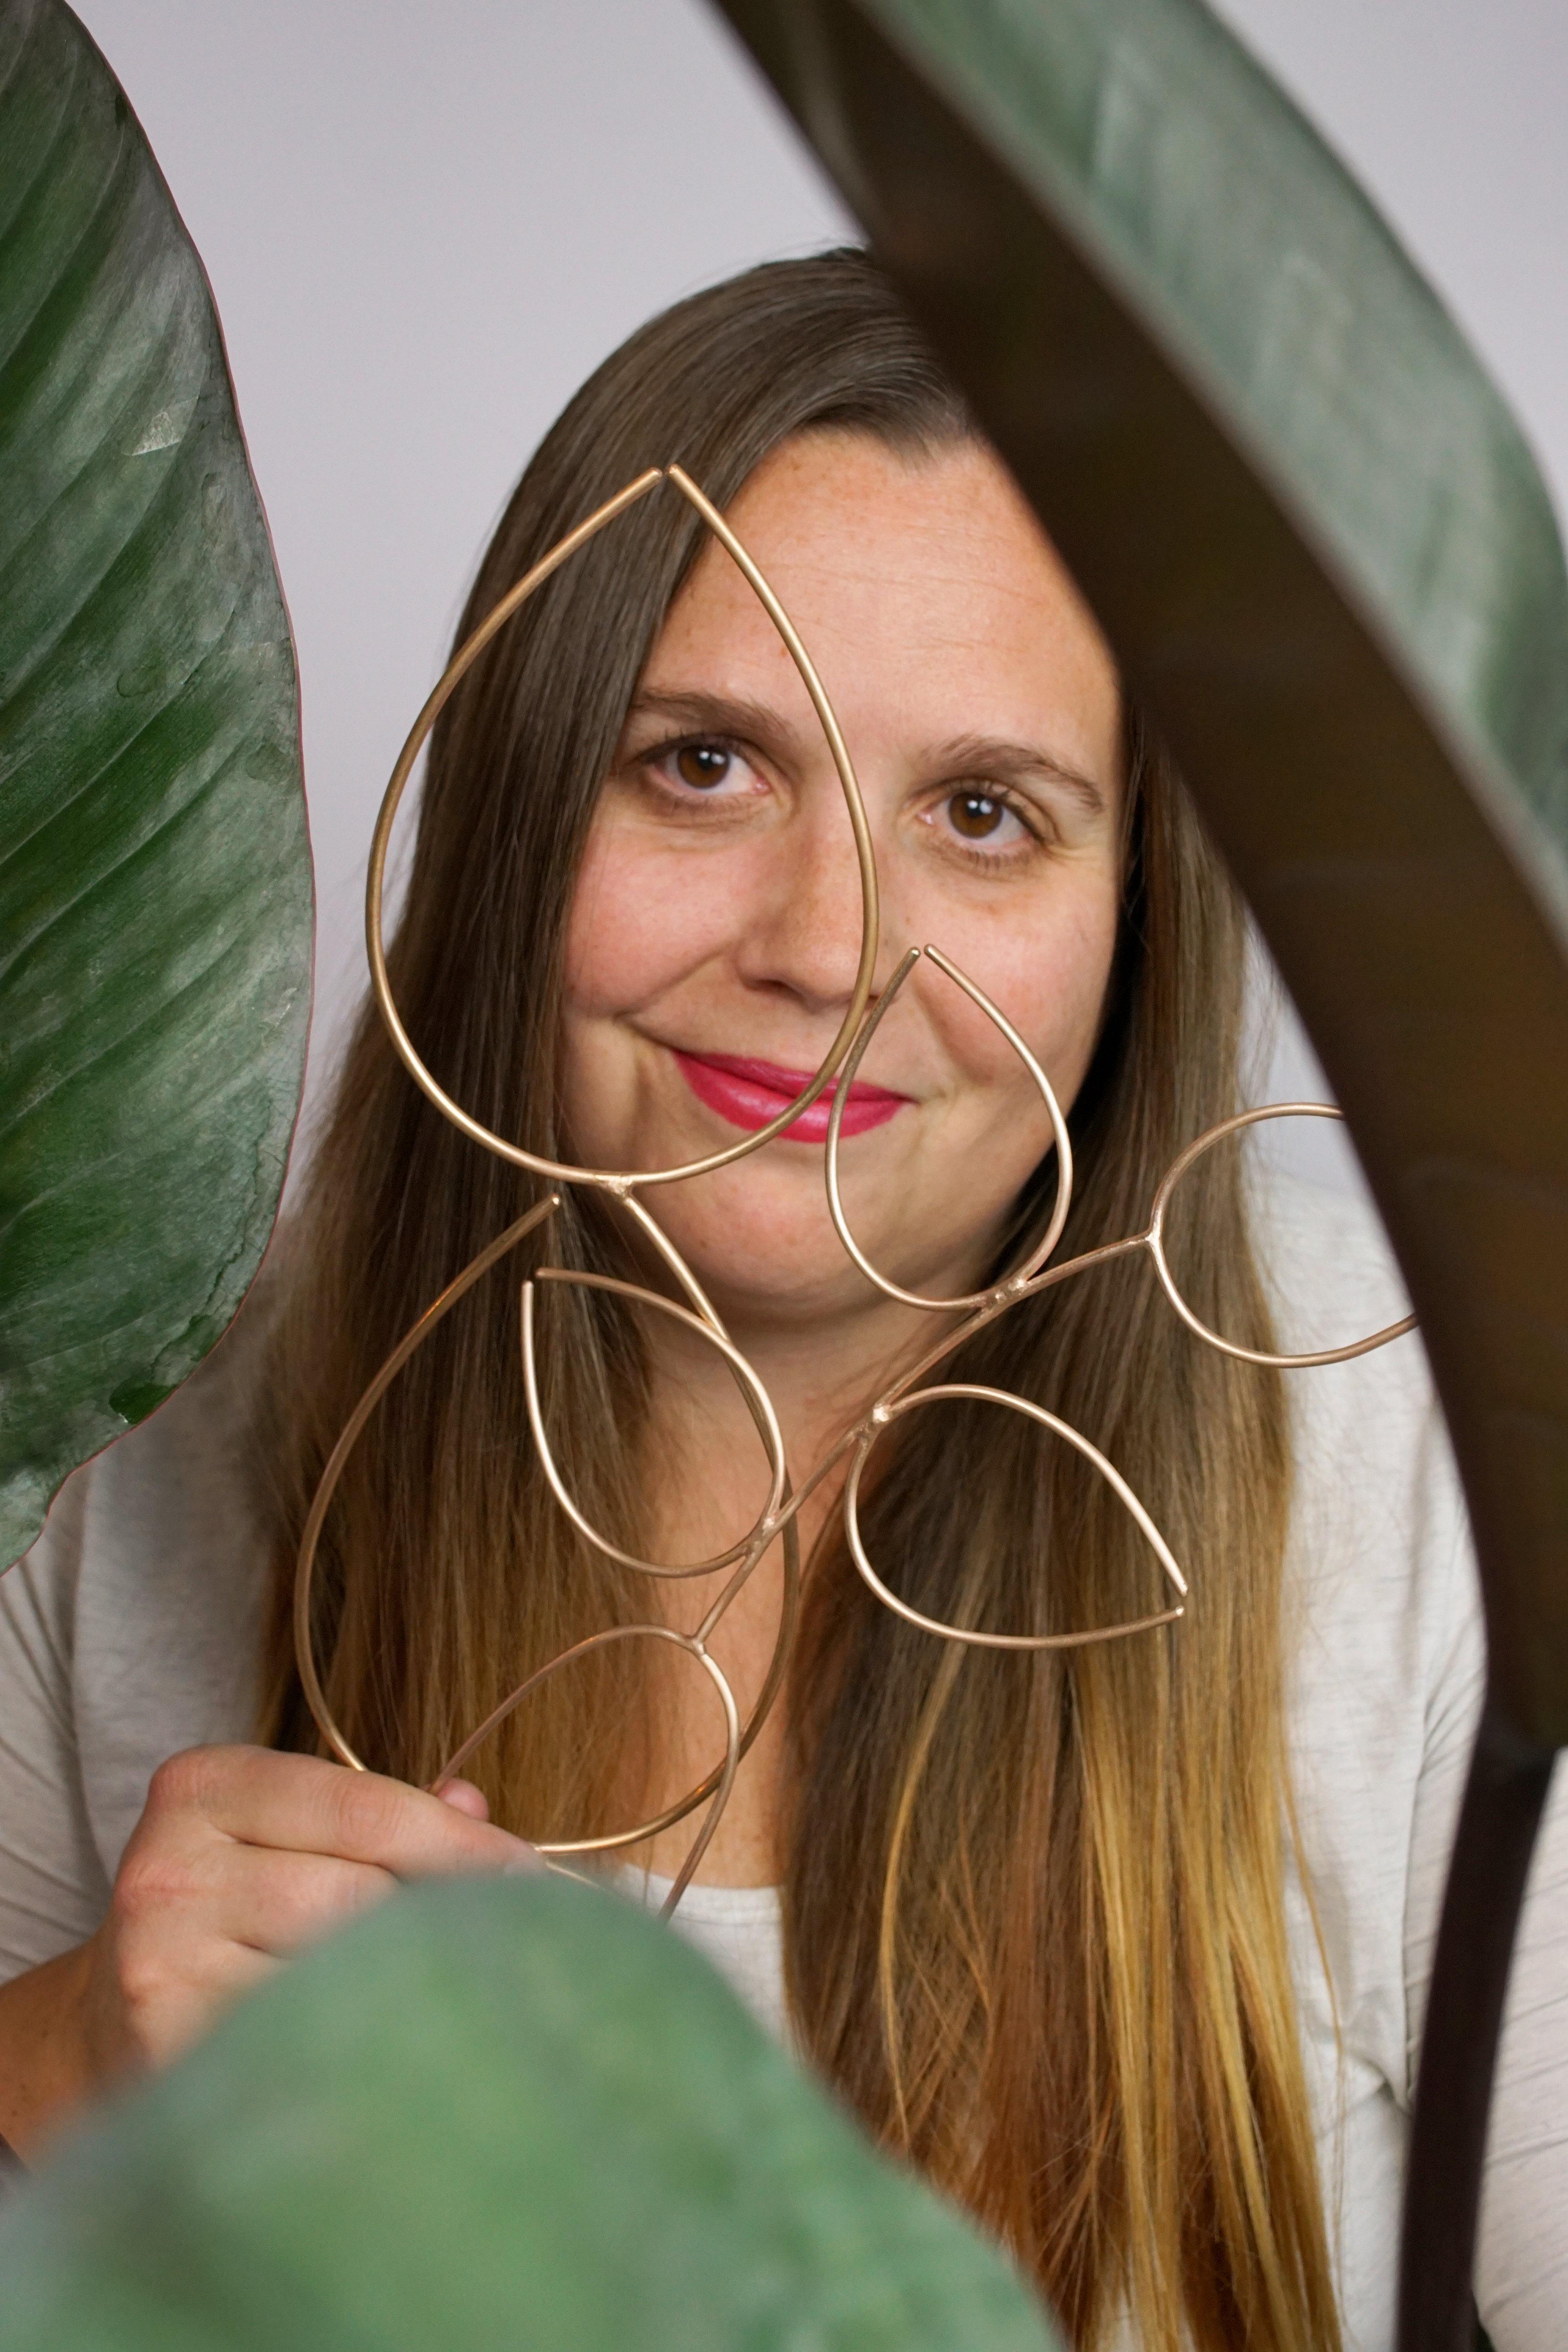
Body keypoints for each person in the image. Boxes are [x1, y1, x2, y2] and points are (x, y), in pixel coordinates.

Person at [0, 252, 1562, 2352]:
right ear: (518, 803)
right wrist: (61, 2064)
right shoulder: (124, 1418)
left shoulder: (1449, 1470)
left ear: (1132, 935)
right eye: (704, 763)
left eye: (986, 813)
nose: (829, 947)